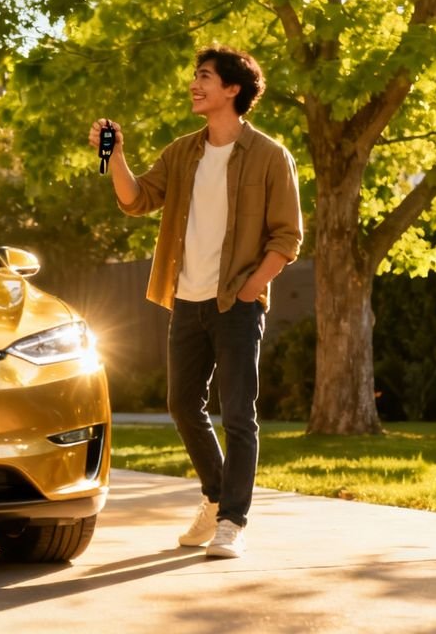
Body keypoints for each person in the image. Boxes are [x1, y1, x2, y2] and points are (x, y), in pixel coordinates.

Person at [90, 45, 302, 559]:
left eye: (204, 77)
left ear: (233, 89)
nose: (194, 84)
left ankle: (232, 520)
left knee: (238, 414)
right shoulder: (183, 152)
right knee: (182, 405)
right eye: (194, 75)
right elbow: (136, 200)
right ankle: (216, 494)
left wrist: (251, 289)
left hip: (236, 304)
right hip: (185, 300)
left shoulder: (271, 156)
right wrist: (115, 157)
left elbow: (287, 237)